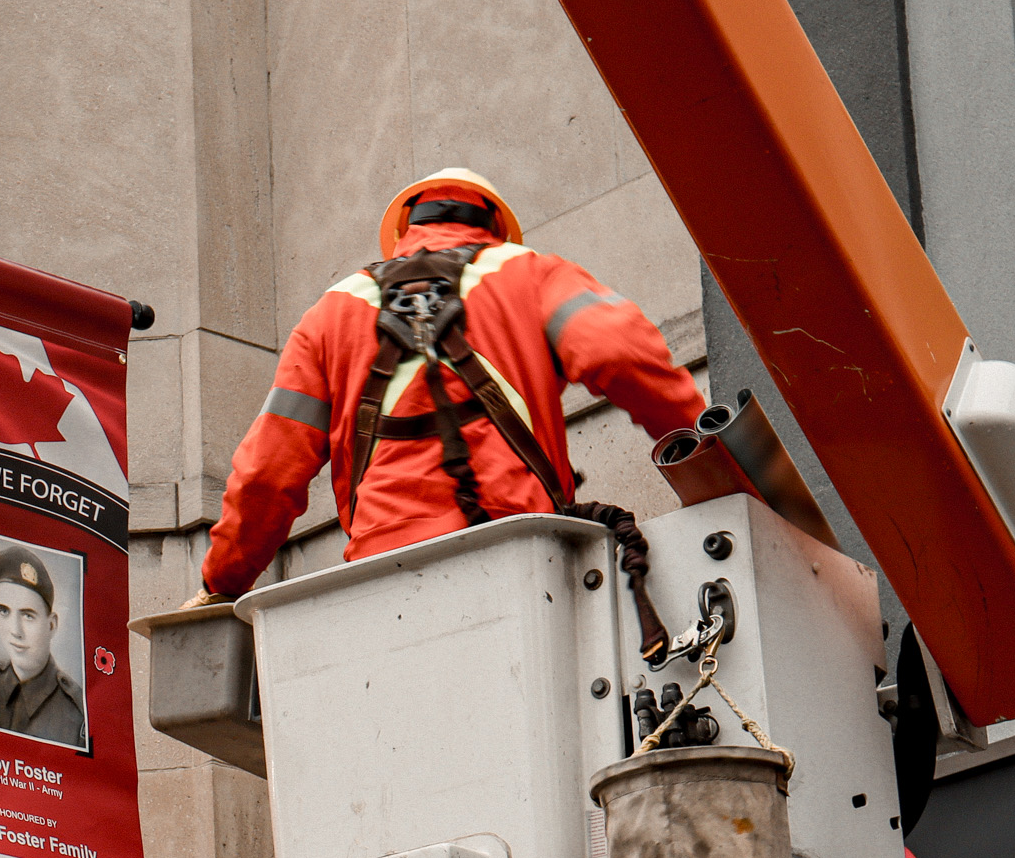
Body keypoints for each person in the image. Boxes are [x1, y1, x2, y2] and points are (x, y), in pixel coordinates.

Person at [190, 168, 706, 604]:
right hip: (522, 556)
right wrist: (715, 469)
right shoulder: (532, 274)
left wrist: (223, 581)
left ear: (403, 229)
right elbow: (622, 355)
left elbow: (268, 471)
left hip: (380, 573)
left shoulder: (330, 313)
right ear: (496, 226)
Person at [0, 544, 86, 747]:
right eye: (3, 611)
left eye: (28, 615)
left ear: (51, 625)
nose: (15, 631)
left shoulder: (77, 711)